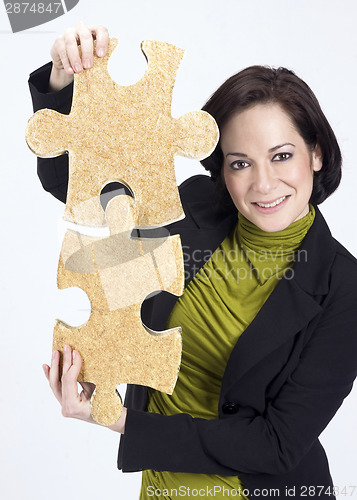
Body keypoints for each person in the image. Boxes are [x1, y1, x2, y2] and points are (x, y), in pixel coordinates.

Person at [30, 22, 357, 500]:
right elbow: (85, 192)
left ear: (317, 154)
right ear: (221, 169)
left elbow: (277, 445)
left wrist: (120, 420)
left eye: (282, 156)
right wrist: (63, 82)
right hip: (162, 489)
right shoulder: (197, 208)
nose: (263, 184)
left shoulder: (344, 288)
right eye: (240, 162)